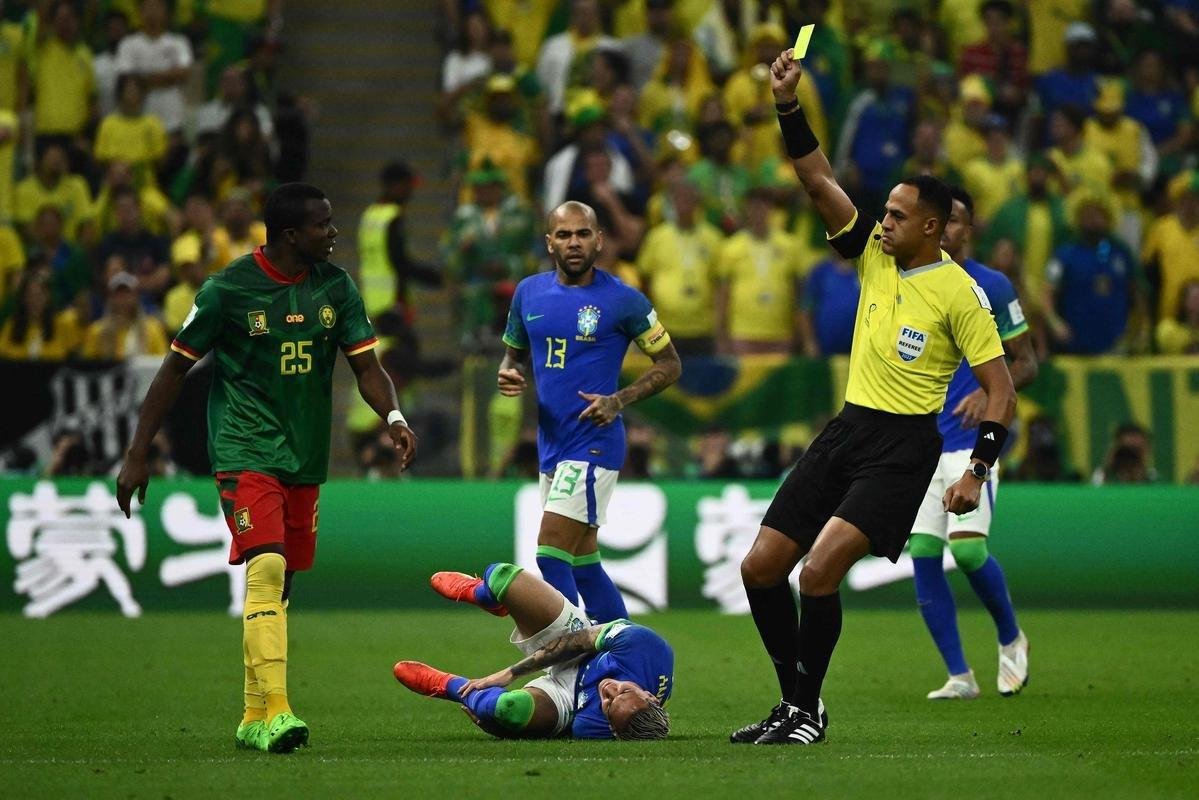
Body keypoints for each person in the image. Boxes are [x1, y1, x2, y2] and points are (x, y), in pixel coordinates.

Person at [731, 48, 1016, 746]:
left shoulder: (960, 292)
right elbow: (812, 173)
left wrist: (976, 470)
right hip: (847, 429)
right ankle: (794, 703)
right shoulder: (871, 255)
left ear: (930, 225)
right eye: (881, 212)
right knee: (760, 567)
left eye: (894, 215)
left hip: (902, 446)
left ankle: (806, 710)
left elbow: (1000, 389)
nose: (880, 222)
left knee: (819, 571)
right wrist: (786, 103)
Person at [115, 183, 419, 754]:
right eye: (323, 225)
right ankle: (278, 712)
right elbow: (174, 371)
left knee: (284, 580)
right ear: (289, 235)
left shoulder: (336, 286)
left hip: (304, 455)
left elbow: (367, 367)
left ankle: (253, 713)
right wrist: (137, 453)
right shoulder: (228, 290)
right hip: (244, 448)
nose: (333, 232)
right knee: (268, 564)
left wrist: (394, 415)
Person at [497, 201, 681, 622]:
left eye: (582, 234)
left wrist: (618, 400)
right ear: (549, 243)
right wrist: (508, 373)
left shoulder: (624, 300)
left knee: (550, 553)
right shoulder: (528, 292)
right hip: (552, 443)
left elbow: (670, 364)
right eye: (564, 235)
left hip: (593, 443)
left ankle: (567, 659)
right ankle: (624, 655)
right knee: (583, 562)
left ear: (599, 240)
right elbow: (514, 356)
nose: (573, 242)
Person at [910, 186, 1038, 701]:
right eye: (941, 220)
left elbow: (1026, 362)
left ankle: (1011, 637)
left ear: (969, 228)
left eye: (957, 220)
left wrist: (991, 398)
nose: (948, 229)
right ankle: (960, 676)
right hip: (920, 442)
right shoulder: (913, 284)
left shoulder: (993, 285)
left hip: (972, 443)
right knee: (921, 552)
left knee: (966, 552)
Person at [393, 562, 672, 740]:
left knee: (507, 710)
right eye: (623, 691)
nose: (608, 691)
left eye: (609, 706)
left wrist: (497, 723)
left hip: (567, 695)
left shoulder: (595, 728)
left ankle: (451, 687)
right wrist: (510, 673)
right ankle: (484, 595)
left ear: (613, 730)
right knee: (504, 577)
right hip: (581, 645)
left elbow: (542, 726)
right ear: (649, 696)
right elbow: (579, 641)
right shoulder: (647, 649)